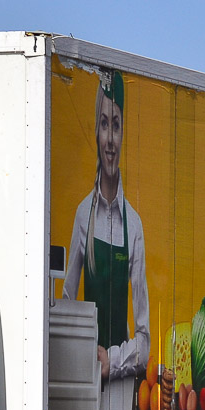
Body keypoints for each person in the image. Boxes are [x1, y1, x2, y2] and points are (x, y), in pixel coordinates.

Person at [63, 69, 150, 381]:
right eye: (104, 124)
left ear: (123, 133)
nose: (110, 139)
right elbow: (65, 309)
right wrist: (84, 358)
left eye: (116, 125)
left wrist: (111, 361)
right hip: (84, 380)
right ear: (96, 132)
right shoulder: (83, 215)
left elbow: (144, 341)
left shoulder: (134, 227)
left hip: (122, 385)